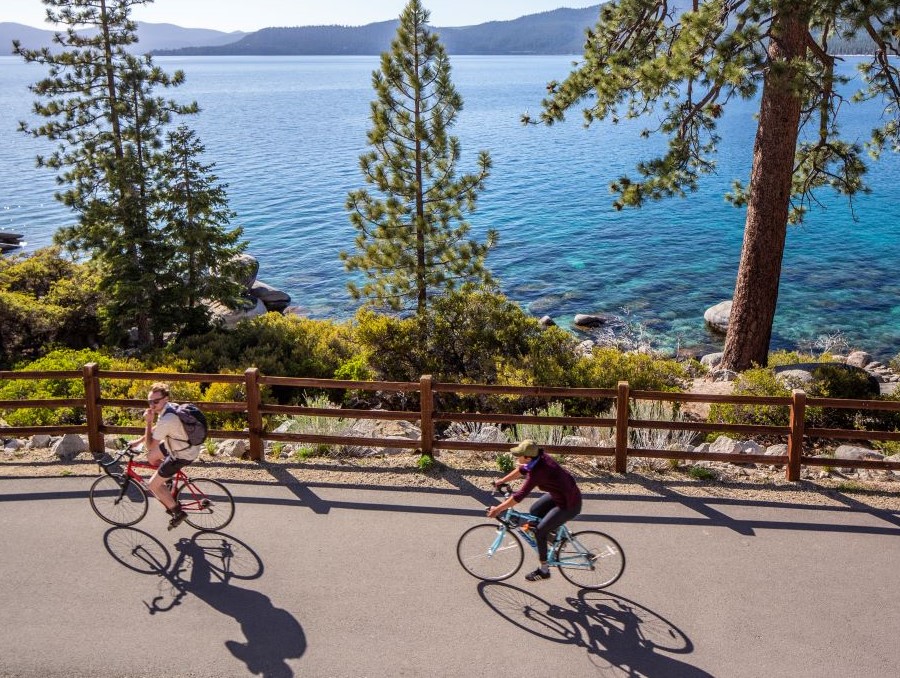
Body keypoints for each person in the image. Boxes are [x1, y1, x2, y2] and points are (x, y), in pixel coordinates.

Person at [487, 439, 582, 582]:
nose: (516, 457)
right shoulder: (538, 459)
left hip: (569, 505)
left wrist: (498, 509)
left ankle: (544, 570)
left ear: (527, 457)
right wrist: (501, 481)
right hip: (561, 495)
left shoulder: (539, 471)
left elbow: (519, 495)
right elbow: (521, 470)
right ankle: (556, 536)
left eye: (519, 455)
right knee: (534, 512)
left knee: (539, 532)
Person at [129, 383, 202, 529]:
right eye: (149, 401)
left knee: (152, 485)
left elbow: (151, 444)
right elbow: (159, 429)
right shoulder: (170, 408)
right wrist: (138, 441)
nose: (152, 405)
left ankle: (177, 512)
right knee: (151, 457)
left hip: (181, 453)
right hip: (182, 444)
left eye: (155, 401)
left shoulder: (168, 419)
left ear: (165, 399)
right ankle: (166, 480)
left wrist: (148, 422)